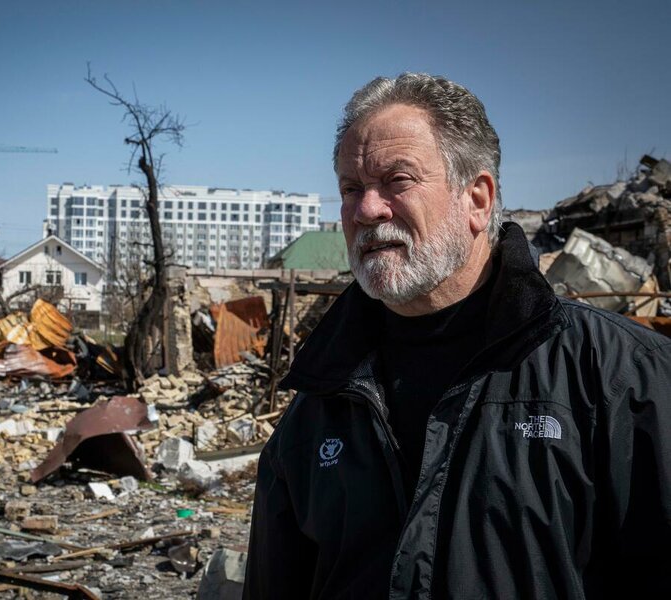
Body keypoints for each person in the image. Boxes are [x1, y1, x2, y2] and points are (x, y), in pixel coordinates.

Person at [243, 73, 671, 599]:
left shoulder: (622, 379)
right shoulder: (318, 402)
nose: (365, 210)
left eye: (396, 181)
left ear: (477, 199)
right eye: (351, 189)